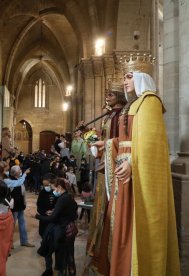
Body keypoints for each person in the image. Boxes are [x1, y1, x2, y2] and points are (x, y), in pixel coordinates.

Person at [91, 53, 180, 275]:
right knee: (120, 223)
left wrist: (132, 163)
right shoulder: (135, 103)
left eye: (129, 76)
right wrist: (108, 143)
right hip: (123, 172)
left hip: (134, 174)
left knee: (132, 224)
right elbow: (126, 140)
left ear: (141, 77)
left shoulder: (150, 102)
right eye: (124, 77)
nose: (125, 81)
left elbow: (150, 145)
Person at [83, 80, 127, 273]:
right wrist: (88, 136)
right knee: (99, 207)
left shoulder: (121, 116)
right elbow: (102, 140)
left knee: (106, 209)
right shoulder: (109, 116)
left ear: (118, 96)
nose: (106, 97)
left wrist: (100, 144)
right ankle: (96, 246)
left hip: (113, 169)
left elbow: (120, 142)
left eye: (110, 94)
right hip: (103, 165)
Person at [35, 178, 78, 275]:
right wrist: (57, 211)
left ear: (59, 187)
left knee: (60, 254)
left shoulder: (62, 198)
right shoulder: (70, 197)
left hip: (63, 230)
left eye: (54, 188)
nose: (53, 191)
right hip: (70, 229)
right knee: (69, 256)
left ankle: (58, 272)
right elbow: (74, 214)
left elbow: (52, 218)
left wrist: (36, 216)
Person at [4, 165, 35, 248]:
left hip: (20, 205)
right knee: (11, 225)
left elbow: (23, 192)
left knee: (22, 224)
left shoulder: (19, 178)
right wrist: (24, 174)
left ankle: (24, 241)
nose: (20, 171)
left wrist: (25, 203)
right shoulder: (10, 180)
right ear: (15, 173)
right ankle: (10, 243)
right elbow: (19, 183)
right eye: (19, 170)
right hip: (14, 206)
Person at [36, 173, 58, 276]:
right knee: (47, 245)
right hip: (45, 222)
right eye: (44, 185)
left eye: (48, 185)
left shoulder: (59, 193)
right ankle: (48, 268)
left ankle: (58, 266)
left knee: (56, 245)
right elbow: (39, 206)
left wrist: (54, 211)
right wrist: (45, 212)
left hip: (56, 223)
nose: (46, 187)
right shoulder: (42, 193)